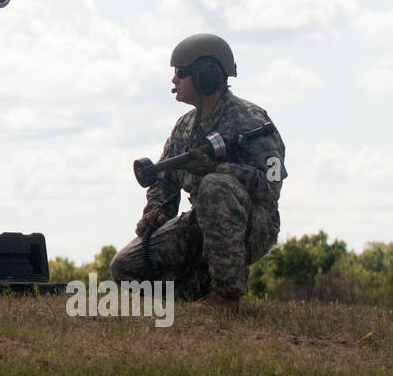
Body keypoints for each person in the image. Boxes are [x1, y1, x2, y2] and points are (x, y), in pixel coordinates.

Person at [110, 34, 287, 309]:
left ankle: (226, 298)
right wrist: (156, 212)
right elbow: (163, 182)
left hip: (252, 226)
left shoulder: (252, 120)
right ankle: (195, 296)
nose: (174, 80)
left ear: (207, 76)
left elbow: (272, 184)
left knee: (215, 185)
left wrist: (219, 169)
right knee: (125, 266)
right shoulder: (184, 127)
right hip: (200, 223)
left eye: (180, 73)